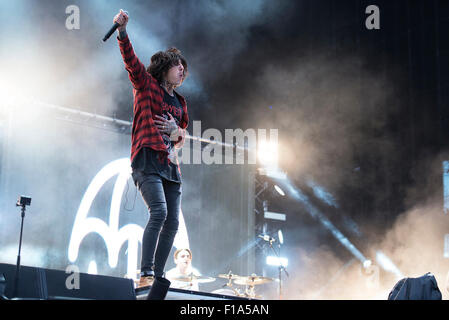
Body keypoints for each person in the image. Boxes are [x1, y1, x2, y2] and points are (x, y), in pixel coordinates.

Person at [113, 9, 189, 288]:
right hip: (147, 159)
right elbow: (131, 62)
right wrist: (122, 31)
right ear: (164, 67)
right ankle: (145, 272)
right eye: (177, 65)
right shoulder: (146, 86)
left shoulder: (180, 102)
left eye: (184, 67)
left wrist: (177, 132)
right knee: (159, 212)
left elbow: (182, 137)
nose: (182, 70)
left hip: (170, 166)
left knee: (172, 223)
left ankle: (157, 274)